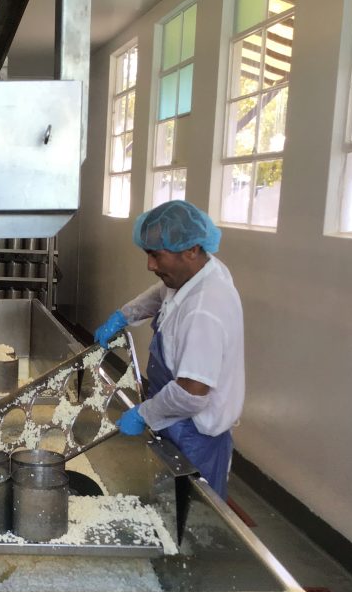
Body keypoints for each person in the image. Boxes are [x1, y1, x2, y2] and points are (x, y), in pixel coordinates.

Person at [94, 200, 244, 499]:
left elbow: (191, 393)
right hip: (175, 424)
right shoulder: (199, 271)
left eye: (156, 256)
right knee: (165, 508)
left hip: (195, 437)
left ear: (191, 250)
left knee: (193, 523)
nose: (150, 265)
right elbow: (162, 292)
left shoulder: (205, 310)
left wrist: (144, 414)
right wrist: (124, 315)